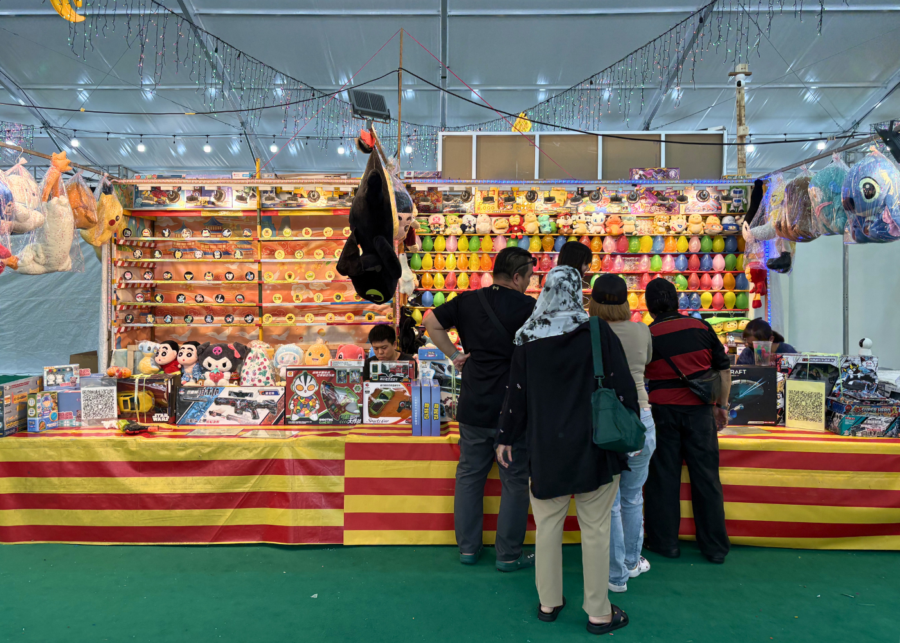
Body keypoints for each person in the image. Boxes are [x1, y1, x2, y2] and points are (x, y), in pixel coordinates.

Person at [496, 266, 636, 635]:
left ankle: (548, 603)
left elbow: (516, 397)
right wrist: (631, 432)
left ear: (545, 290)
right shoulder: (596, 331)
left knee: (547, 527)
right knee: (596, 529)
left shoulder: (527, 337)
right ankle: (599, 613)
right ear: (579, 293)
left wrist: (505, 437)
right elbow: (623, 386)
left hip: (545, 449)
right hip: (595, 447)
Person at [423, 247, 537, 571]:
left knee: (470, 476)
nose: (529, 284)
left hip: (473, 403)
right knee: (515, 480)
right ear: (517, 276)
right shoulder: (530, 307)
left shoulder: (468, 300)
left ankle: (468, 549)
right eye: (529, 277)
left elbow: (430, 322)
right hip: (512, 408)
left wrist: (454, 355)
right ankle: (508, 555)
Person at [642, 278, 732, 564]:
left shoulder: (647, 334)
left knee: (662, 479)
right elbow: (724, 370)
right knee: (706, 478)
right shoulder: (701, 327)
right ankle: (715, 547)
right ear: (677, 300)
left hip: (661, 413)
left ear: (649, 305)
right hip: (700, 413)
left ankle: (665, 543)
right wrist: (721, 406)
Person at [589, 275, 655, 593]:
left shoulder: (589, 333)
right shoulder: (642, 330)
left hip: (605, 419)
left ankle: (615, 574)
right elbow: (647, 363)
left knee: (611, 501)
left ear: (593, 302)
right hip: (641, 417)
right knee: (633, 495)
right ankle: (631, 560)